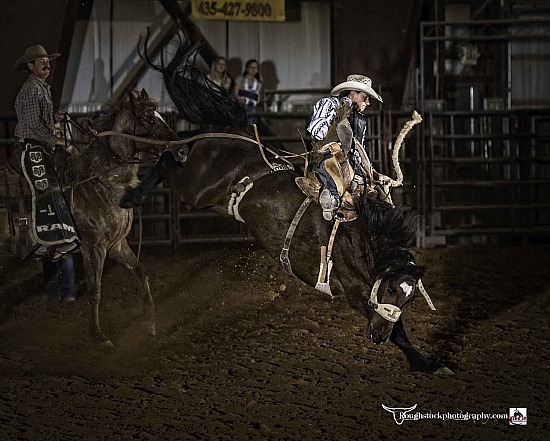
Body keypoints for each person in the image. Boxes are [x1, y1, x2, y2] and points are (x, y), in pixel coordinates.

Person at [13, 44, 79, 301]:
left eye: (46, 60)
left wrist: (54, 117)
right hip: (32, 150)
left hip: (38, 148)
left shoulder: (40, 88)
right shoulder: (30, 90)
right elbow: (31, 128)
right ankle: (49, 237)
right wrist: (56, 141)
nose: (46, 64)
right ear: (30, 66)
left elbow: (39, 121)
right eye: (40, 61)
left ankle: (51, 252)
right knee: (47, 193)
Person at [306, 74, 383, 221]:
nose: (367, 102)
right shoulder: (330, 104)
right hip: (328, 156)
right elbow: (317, 131)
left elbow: (359, 151)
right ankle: (332, 200)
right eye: (365, 97)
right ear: (352, 94)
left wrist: (372, 173)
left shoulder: (360, 120)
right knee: (334, 164)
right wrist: (341, 112)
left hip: (351, 164)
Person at [234, 59, 262, 125]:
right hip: (241, 106)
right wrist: (239, 99)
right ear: (247, 69)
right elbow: (234, 94)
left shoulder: (258, 83)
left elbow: (257, 97)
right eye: (251, 67)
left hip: (253, 107)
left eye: (255, 68)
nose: (253, 69)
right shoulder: (240, 79)